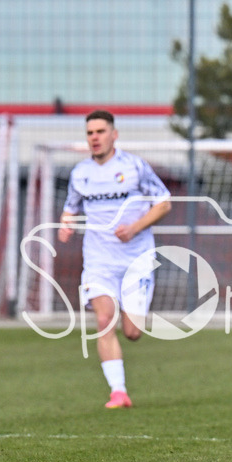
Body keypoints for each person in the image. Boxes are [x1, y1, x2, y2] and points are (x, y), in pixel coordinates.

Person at [58, 110, 172, 408]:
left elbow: (164, 203)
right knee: (104, 319)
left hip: (136, 258)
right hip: (99, 260)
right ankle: (118, 392)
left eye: (100, 131)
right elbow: (70, 208)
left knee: (132, 332)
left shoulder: (134, 167)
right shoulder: (80, 173)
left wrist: (135, 228)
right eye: (90, 133)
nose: (94, 138)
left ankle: (133, 310)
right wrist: (66, 224)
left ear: (114, 134)